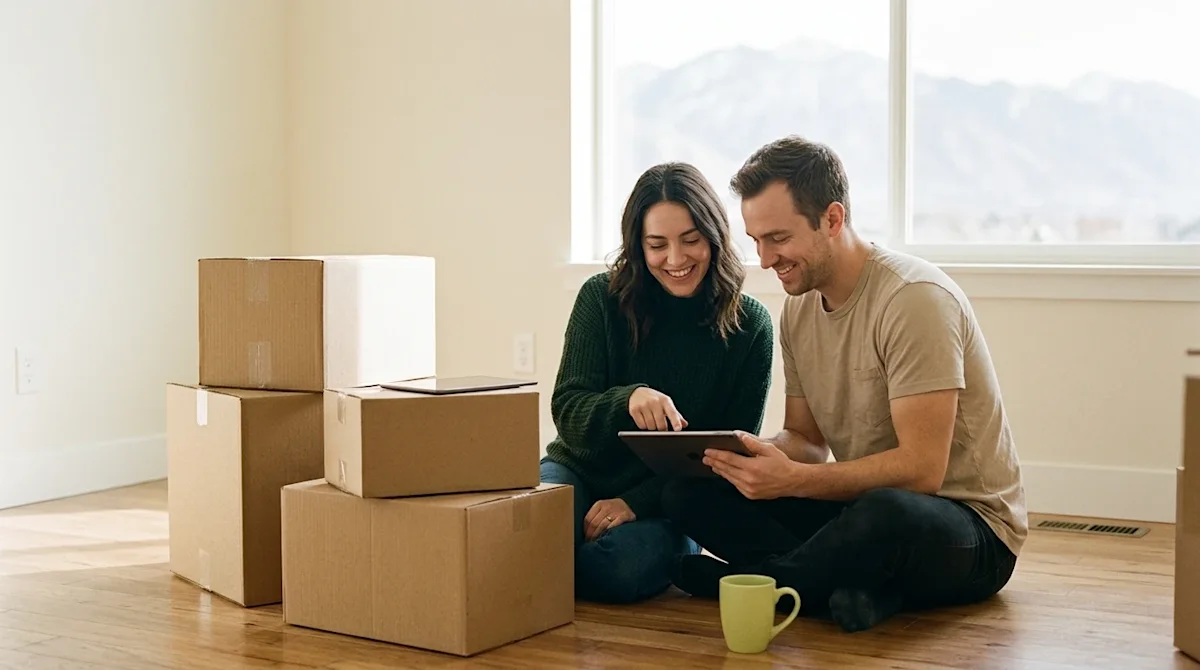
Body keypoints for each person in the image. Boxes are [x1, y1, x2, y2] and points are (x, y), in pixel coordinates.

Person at [661, 136, 1028, 632]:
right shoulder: (799, 308)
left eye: (779, 238)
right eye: (756, 241)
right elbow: (808, 443)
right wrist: (753, 459)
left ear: (832, 220)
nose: (766, 260)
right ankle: (854, 591)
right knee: (689, 494)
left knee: (885, 514)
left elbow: (923, 472)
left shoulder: (914, 300)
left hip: (967, 529)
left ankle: (762, 582)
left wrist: (796, 482)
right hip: (859, 510)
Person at [540, 161, 775, 604]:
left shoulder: (751, 327)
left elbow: (727, 455)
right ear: (638, 246)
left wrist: (635, 503)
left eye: (690, 240)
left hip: (669, 501)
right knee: (526, 533)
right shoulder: (600, 298)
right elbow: (568, 411)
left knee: (616, 569)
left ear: (713, 236)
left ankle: (547, 570)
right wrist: (627, 399)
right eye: (657, 245)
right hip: (578, 471)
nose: (675, 259)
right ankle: (543, 562)